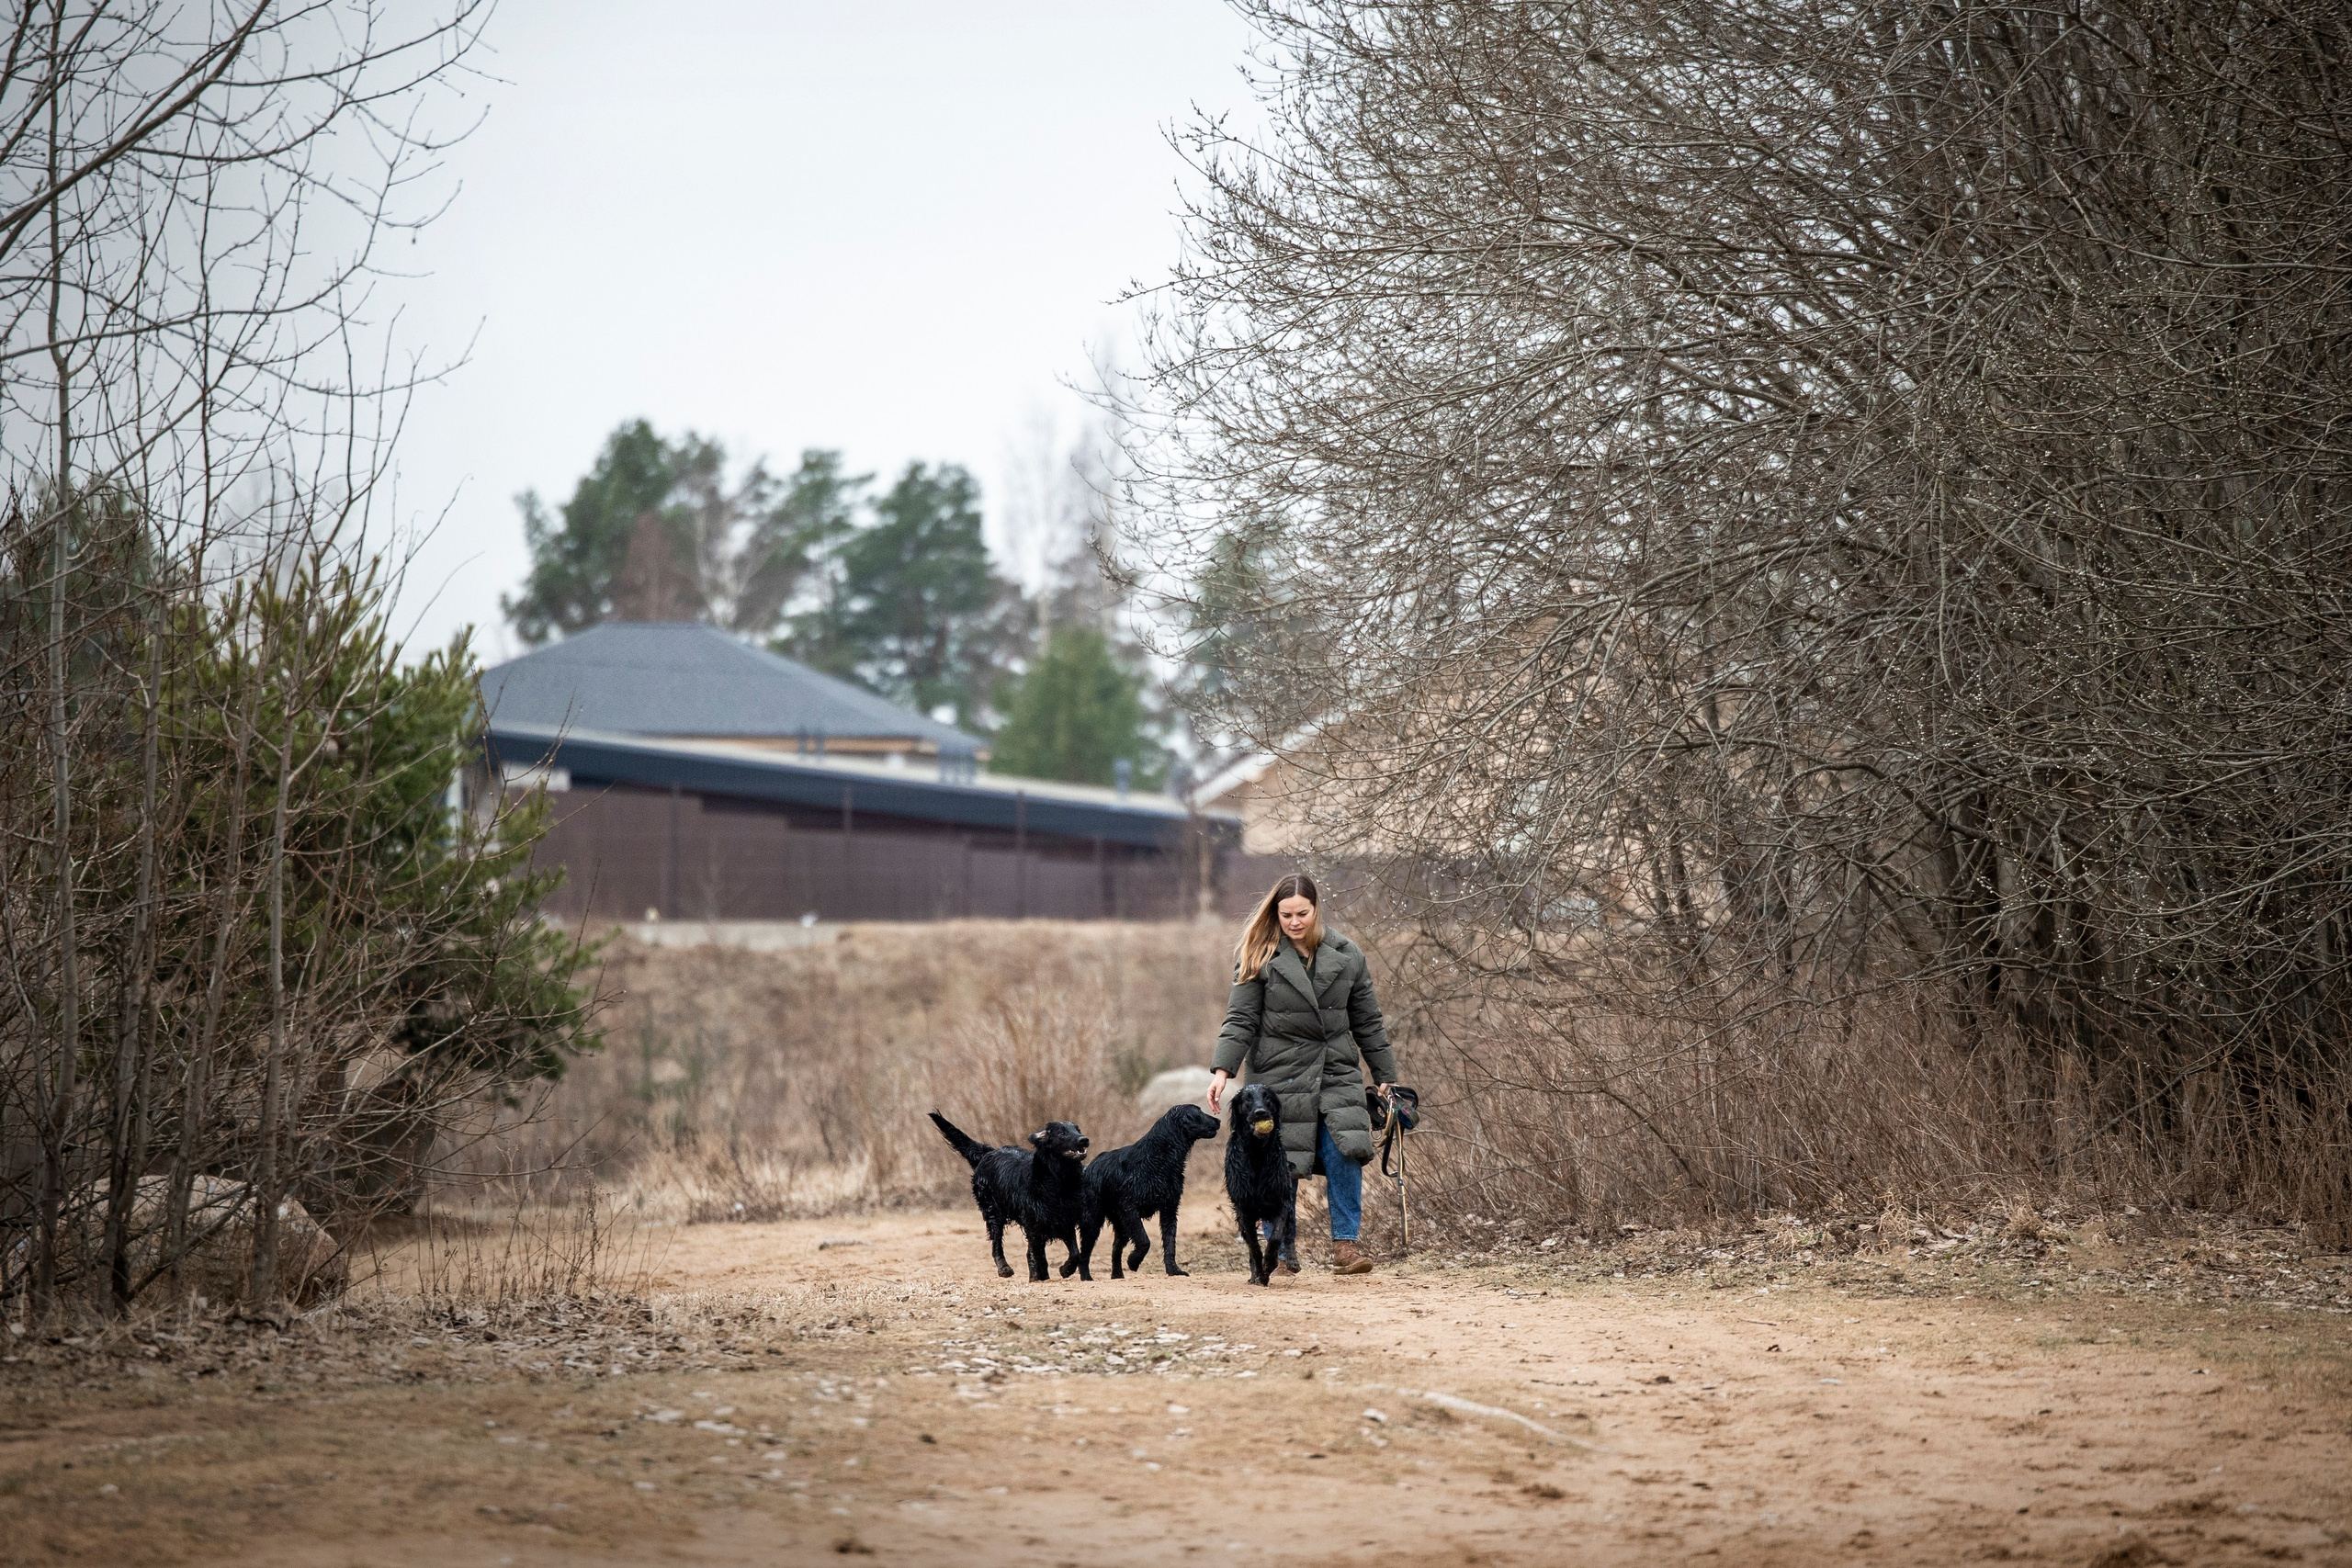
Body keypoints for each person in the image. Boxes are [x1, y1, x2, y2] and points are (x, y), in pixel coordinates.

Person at [1207, 872, 1397, 1275]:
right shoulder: (1258, 954)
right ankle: (1278, 1253)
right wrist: (1223, 1071)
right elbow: (1240, 1018)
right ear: (1276, 914)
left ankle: (1345, 1246)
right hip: (1278, 1075)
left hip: (1335, 1071)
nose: (1294, 922)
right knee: (1279, 1161)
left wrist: (1385, 1075)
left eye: (1302, 913)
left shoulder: (1348, 954)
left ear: (1316, 909)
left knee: (1346, 1148)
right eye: (1286, 915)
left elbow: (1368, 1021)